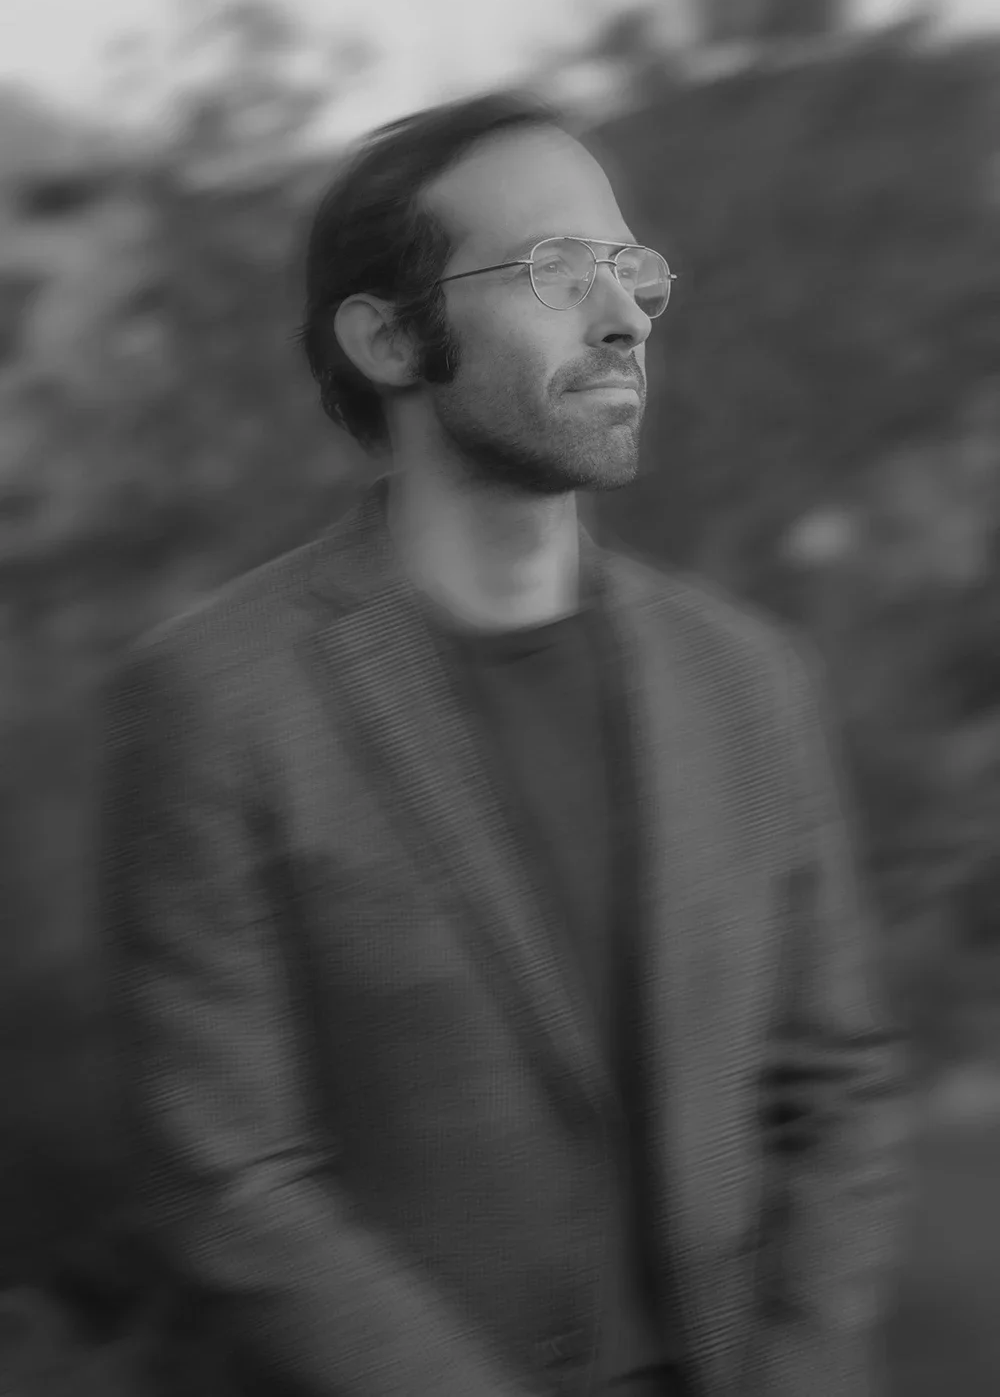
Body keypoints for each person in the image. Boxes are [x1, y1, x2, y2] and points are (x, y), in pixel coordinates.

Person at [100, 91, 909, 1397]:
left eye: (633, 270)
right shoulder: (214, 701)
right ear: (385, 338)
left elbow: (838, 1088)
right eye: (555, 269)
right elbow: (229, 1181)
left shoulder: (751, 682)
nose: (626, 315)